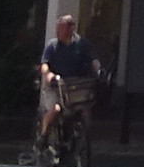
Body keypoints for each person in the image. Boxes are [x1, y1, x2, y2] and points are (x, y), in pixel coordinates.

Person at [38, 14, 100, 148]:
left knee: (84, 108)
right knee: (56, 109)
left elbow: (93, 60)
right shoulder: (53, 45)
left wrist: (98, 69)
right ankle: (43, 136)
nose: (58, 31)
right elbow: (45, 64)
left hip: (75, 86)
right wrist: (48, 74)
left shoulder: (82, 44)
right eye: (58, 28)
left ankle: (82, 140)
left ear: (72, 28)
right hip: (57, 85)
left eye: (62, 28)